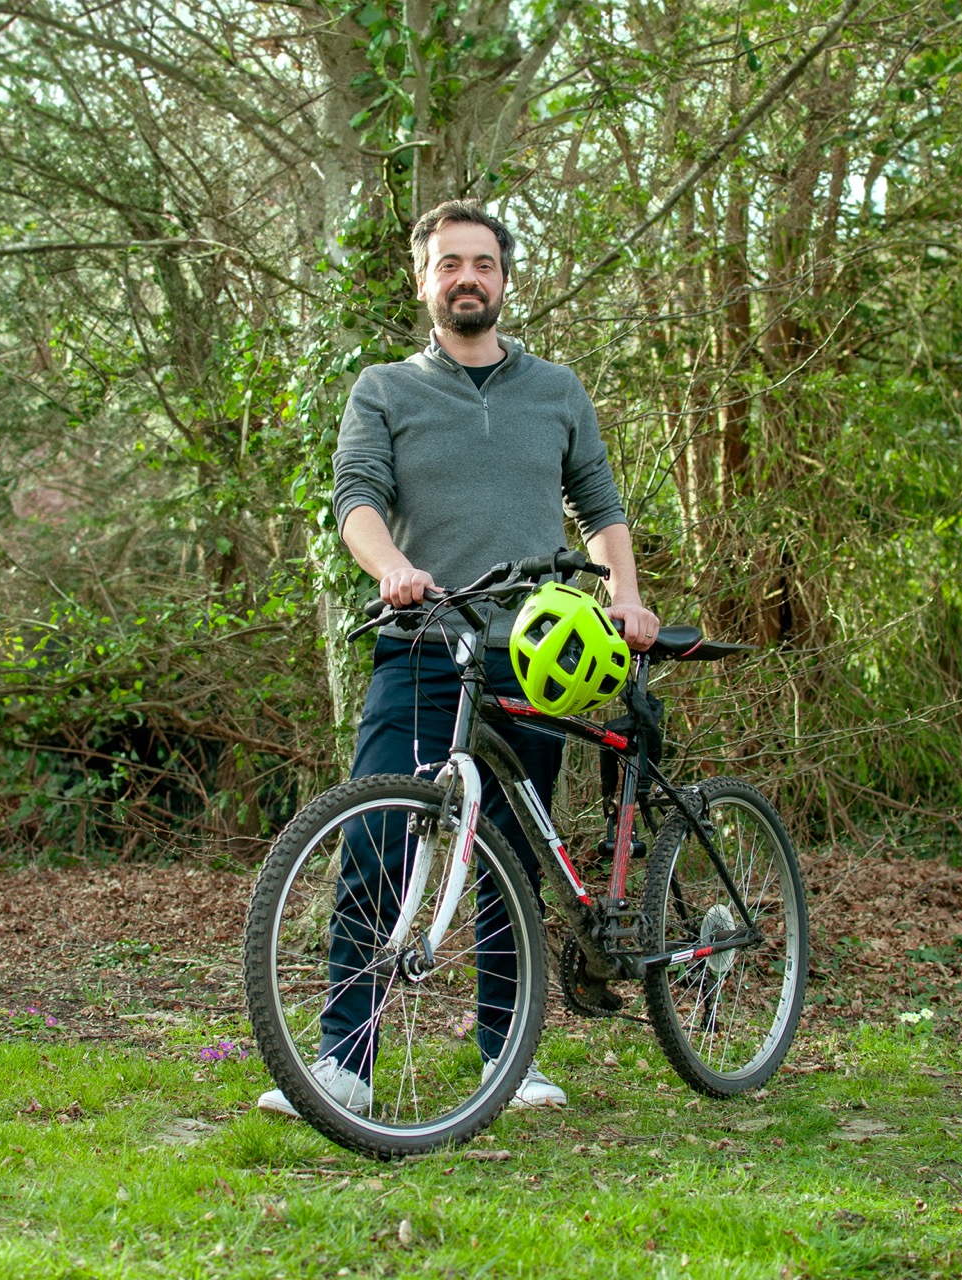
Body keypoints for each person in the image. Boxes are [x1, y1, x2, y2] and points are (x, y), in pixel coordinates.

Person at [258, 199, 659, 1118]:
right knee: (374, 839)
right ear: (425, 280)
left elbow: (599, 505)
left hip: (536, 656)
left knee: (510, 860)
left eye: (482, 263)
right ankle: (344, 1061)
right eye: (449, 264)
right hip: (422, 645)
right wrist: (395, 568)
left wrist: (625, 596)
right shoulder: (384, 389)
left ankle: (505, 1060)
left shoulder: (557, 389)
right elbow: (355, 499)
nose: (466, 277)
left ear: (505, 279)